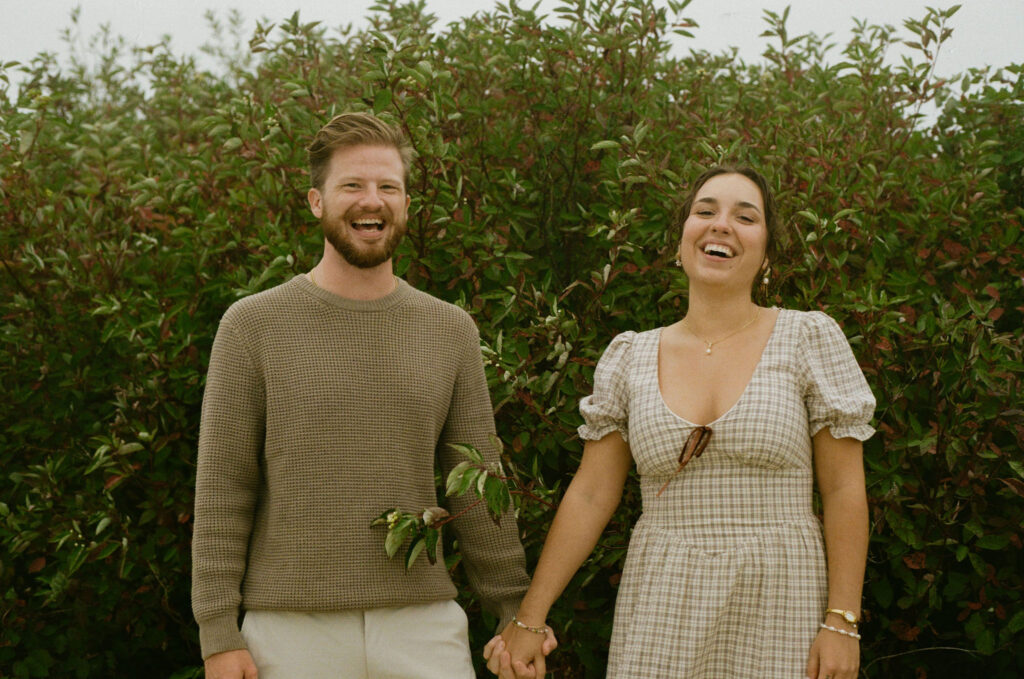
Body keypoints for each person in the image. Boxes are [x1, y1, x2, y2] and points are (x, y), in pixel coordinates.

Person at [191, 112, 549, 679]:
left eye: (388, 186)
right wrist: (217, 631)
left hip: (422, 628)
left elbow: (479, 482)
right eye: (352, 185)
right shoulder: (252, 326)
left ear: (406, 204)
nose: (372, 201)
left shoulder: (449, 329)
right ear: (316, 201)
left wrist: (513, 610)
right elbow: (223, 486)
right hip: (288, 631)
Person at [485, 166, 875, 679]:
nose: (721, 224)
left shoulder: (808, 338)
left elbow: (844, 488)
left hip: (783, 595)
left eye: (745, 217)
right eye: (705, 211)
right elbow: (591, 495)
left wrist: (842, 621)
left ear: (767, 255)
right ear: (681, 240)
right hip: (662, 596)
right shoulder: (630, 356)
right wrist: (530, 619)